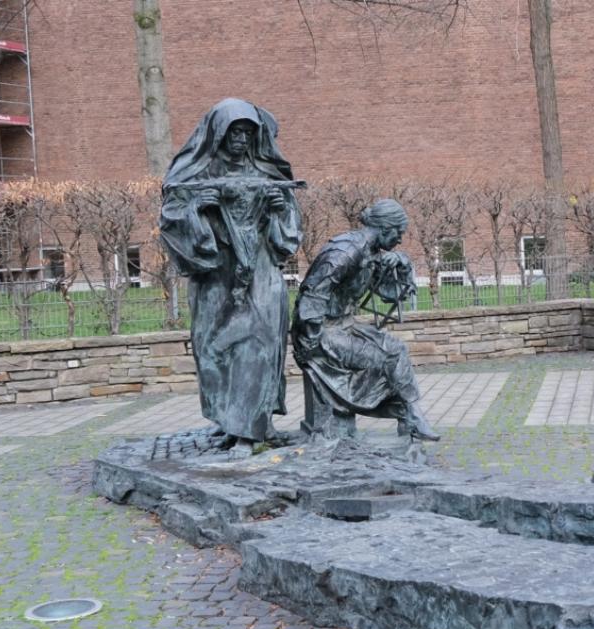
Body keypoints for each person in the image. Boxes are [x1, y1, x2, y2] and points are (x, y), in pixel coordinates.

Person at [159, 98, 303, 449]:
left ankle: (253, 428)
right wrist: (197, 210)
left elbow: (289, 231)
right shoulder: (196, 174)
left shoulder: (267, 173)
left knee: (258, 345)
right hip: (216, 275)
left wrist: (280, 211)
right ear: (218, 133)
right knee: (213, 349)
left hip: (261, 273)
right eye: (234, 132)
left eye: (247, 134)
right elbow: (172, 217)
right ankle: (231, 420)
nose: (241, 140)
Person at [291, 200, 439, 444]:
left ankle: (410, 416)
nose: (399, 240)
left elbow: (391, 295)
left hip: (344, 326)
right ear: (385, 228)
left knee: (395, 350)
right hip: (319, 333)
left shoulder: (372, 253)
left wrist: (401, 264)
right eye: (398, 233)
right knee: (389, 356)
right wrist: (313, 341)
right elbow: (313, 292)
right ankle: (410, 416)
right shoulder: (347, 249)